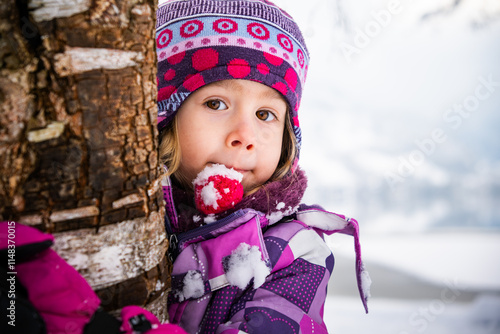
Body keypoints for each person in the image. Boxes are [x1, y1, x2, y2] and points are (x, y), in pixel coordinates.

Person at [156, 0, 370, 333]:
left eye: (265, 114)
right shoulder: (123, 213)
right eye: (216, 103)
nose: (245, 136)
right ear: (164, 118)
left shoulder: (294, 251)